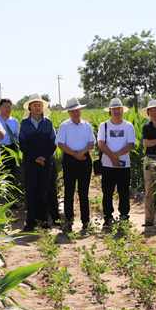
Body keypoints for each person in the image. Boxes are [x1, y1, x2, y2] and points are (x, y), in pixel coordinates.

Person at [55, 97, 95, 232]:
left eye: (77, 111)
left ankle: (86, 221)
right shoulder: (64, 126)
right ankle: (69, 221)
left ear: (80, 110)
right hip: (70, 159)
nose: (75, 113)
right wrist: (74, 154)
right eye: (72, 111)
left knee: (84, 192)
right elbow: (60, 143)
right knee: (69, 192)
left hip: (84, 158)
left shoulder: (86, 125)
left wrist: (81, 153)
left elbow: (91, 142)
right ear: (69, 113)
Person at [19, 94, 57, 232]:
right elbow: (22, 143)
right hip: (30, 162)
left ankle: (44, 222)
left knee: (44, 191)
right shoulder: (24, 123)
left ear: (42, 108)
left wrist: (44, 157)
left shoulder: (48, 123)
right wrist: (35, 157)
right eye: (34, 105)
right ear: (30, 107)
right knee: (31, 191)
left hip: (45, 162)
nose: (37, 108)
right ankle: (30, 222)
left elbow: (53, 142)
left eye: (39, 105)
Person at [97, 98, 136, 228]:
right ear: (110, 111)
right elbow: (101, 143)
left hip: (124, 165)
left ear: (122, 110)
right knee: (107, 193)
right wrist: (112, 158)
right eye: (114, 109)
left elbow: (131, 144)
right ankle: (108, 218)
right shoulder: (104, 125)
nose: (116, 111)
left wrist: (116, 156)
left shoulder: (128, 126)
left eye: (118, 109)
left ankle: (124, 217)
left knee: (124, 192)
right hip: (107, 166)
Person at [0, 98, 20, 185]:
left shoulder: (14, 122)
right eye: (5, 107)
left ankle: (10, 196)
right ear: (0, 107)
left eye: (9, 107)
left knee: (10, 173)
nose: (8, 109)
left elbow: (18, 137)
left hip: (10, 149)